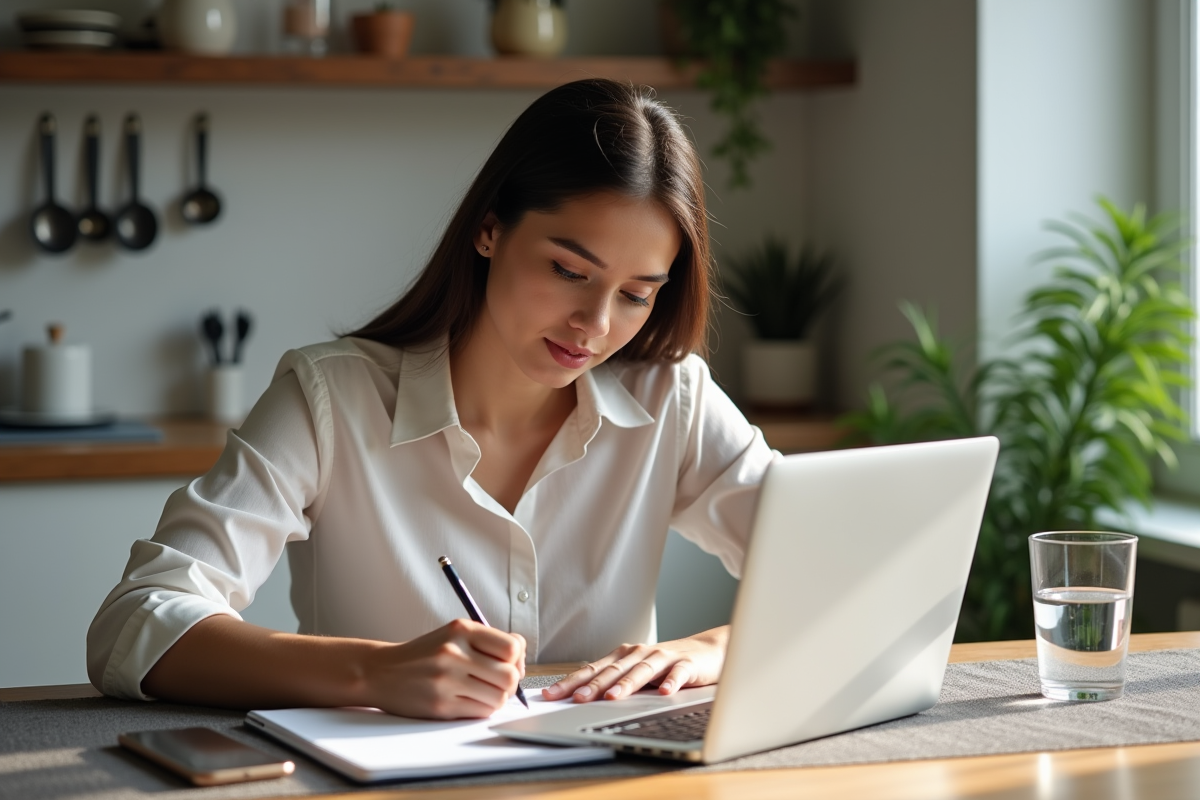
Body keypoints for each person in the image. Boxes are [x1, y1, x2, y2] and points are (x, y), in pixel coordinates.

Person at [87, 78, 776, 721]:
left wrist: (712, 651)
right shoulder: (331, 399)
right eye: (568, 271)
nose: (595, 325)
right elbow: (136, 622)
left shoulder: (672, 395)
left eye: (636, 294)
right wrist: (372, 673)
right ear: (489, 230)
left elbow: (857, 575)